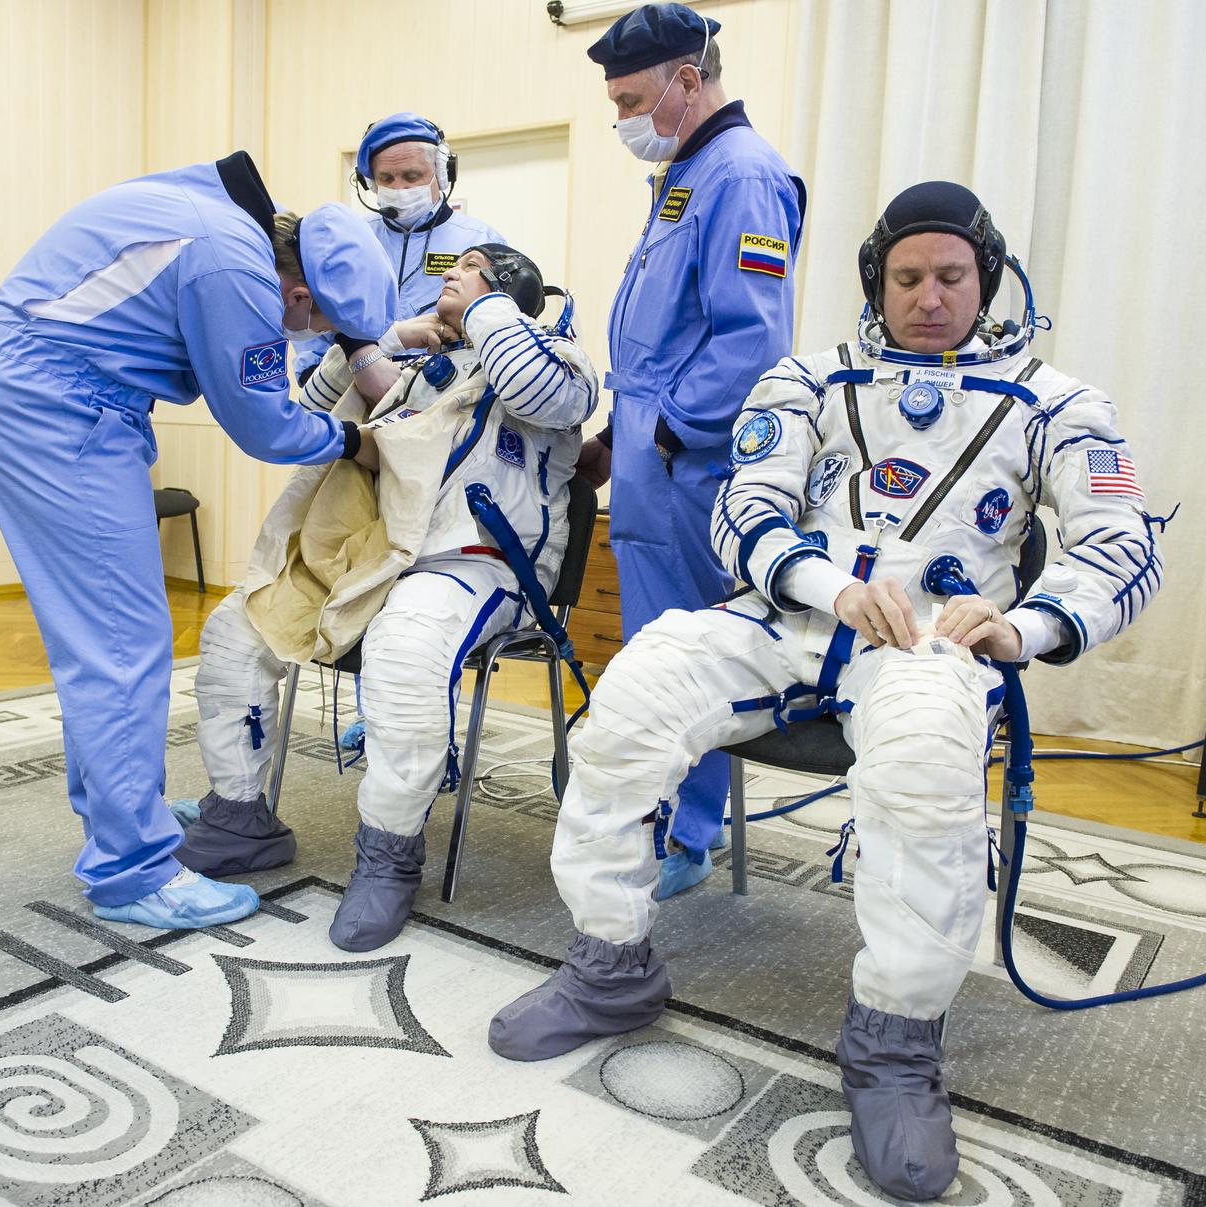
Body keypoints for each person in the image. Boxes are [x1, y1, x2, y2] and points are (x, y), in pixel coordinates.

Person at [487, 182, 1162, 1202]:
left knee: (924, 775)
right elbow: (743, 510)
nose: (928, 297)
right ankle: (609, 965)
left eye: (950, 276)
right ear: (875, 281)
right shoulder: (806, 379)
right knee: (630, 698)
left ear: (985, 281)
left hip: (929, 640)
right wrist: (829, 586)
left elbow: (1120, 546)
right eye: (907, 277)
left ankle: (892, 1045)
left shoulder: (1057, 403)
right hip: (794, 613)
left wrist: (1019, 626)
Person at [0, 151, 398, 931]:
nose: (303, 334)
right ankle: (134, 869)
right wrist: (351, 441)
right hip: (62, 413)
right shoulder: (235, 263)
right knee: (121, 643)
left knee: (102, 640)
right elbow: (263, 423)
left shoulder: (212, 214)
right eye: (315, 326)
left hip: (52, 400)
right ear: (299, 292)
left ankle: (121, 815)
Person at [177, 243, 598, 954]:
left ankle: (388, 856)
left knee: (404, 652)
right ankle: (240, 818)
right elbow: (308, 414)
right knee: (235, 631)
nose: (450, 274)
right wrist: (379, 339)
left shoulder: (558, 362)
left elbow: (533, 389)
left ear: (508, 290)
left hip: (475, 562)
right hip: (375, 554)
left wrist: (489, 307)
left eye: (470, 267)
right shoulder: (416, 369)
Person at [580, 3, 807, 898]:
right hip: (650, 458)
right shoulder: (684, 171)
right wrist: (618, 436)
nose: (623, 122)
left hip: (691, 464)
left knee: (686, 657)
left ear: (687, 79)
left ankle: (689, 832)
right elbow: (663, 337)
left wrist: (667, 432)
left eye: (630, 101)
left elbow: (751, 344)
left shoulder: (743, 174)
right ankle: (660, 810)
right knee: (652, 649)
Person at [292, 111, 504, 387]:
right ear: (370, 182)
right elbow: (312, 322)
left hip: (446, 394)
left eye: (412, 176)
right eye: (386, 178)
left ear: (441, 173)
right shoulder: (346, 240)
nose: (400, 188)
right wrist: (320, 378)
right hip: (352, 388)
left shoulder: (481, 241)